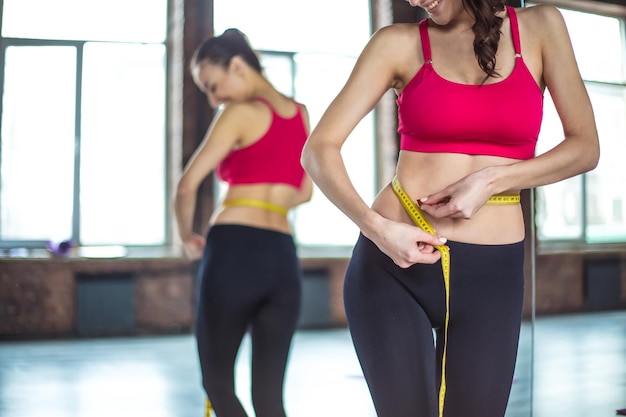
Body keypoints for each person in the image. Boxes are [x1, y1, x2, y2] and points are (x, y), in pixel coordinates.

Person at [301, 0, 599, 416]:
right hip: (393, 264)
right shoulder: (398, 44)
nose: (416, 1)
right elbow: (318, 149)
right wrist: (377, 229)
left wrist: (492, 180)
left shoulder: (541, 26)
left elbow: (585, 148)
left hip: (492, 272)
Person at [174, 28, 313, 417]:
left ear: (237, 66)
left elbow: (186, 187)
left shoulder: (238, 113)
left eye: (213, 86)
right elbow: (305, 192)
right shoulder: (300, 114)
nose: (215, 99)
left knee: (217, 382)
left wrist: (185, 236)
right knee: (269, 397)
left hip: (234, 251)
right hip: (283, 256)